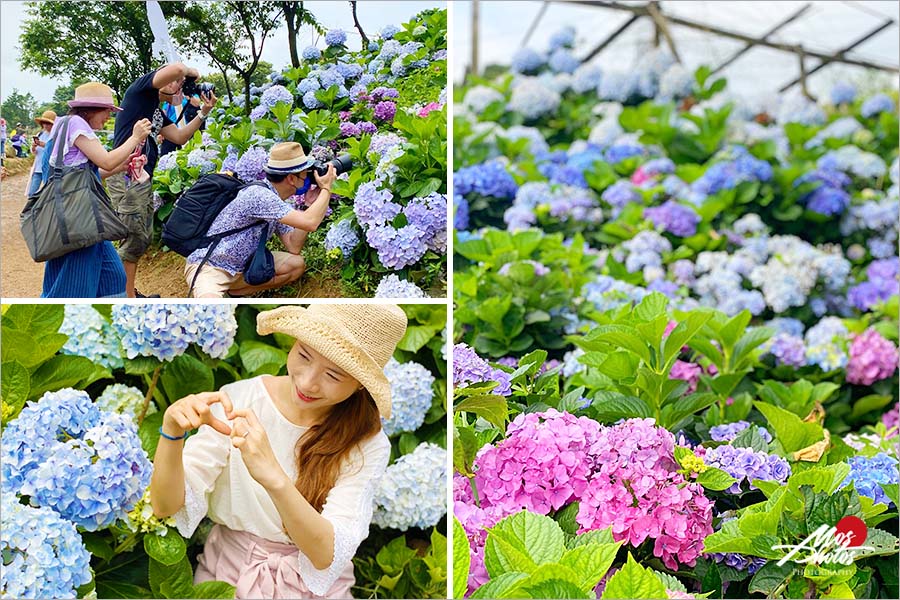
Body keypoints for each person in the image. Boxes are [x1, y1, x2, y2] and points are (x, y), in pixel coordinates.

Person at [150, 303, 407, 599]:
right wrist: (171, 432)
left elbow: (326, 554)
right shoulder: (240, 401)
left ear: (361, 385)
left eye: (333, 375)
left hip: (317, 590)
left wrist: (272, 476)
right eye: (303, 355)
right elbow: (165, 506)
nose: (308, 382)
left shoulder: (367, 443)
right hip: (228, 576)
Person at [107, 62, 218, 298]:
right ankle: (124, 298)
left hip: (140, 175)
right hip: (125, 175)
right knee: (133, 237)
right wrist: (189, 75)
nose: (180, 88)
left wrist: (203, 112)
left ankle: (128, 293)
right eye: (177, 83)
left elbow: (178, 136)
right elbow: (177, 68)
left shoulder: (155, 110)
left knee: (141, 237)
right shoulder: (139, 92)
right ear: (161, 81)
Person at [38, 82, 152, 298]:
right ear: (90, 109)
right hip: (76, 222)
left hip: (85, 219)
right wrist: (135, 137)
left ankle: (109, 319)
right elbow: (106, 161)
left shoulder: (65, 125)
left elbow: (86, 174)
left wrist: (124, 164)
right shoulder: (76, 125)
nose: (108, 117)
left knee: (113, 277)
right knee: (73, 285)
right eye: (107, 111)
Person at [183, 142, 336, 298]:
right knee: (210, 304)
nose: (308, 178)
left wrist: (307, 206)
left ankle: (234, 292)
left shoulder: (275, 200)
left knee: (295, 265)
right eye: (305, 174)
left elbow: (293, 245)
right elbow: (311, 223)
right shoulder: (259, 196)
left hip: (243, 268)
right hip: (211, 267)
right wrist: (326, 188)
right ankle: (221, 293)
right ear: (291, 178)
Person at [26, 110, 56, 196]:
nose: (45, 126)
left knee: (48, 192)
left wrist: (45, 145)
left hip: (49, 168)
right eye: (44, 123)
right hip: (38, 167)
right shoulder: (40, 134)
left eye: (48, 123)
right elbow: (34, 152)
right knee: (32, 193)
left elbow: (57, 150)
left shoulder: (56, 136)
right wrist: (33, 147)